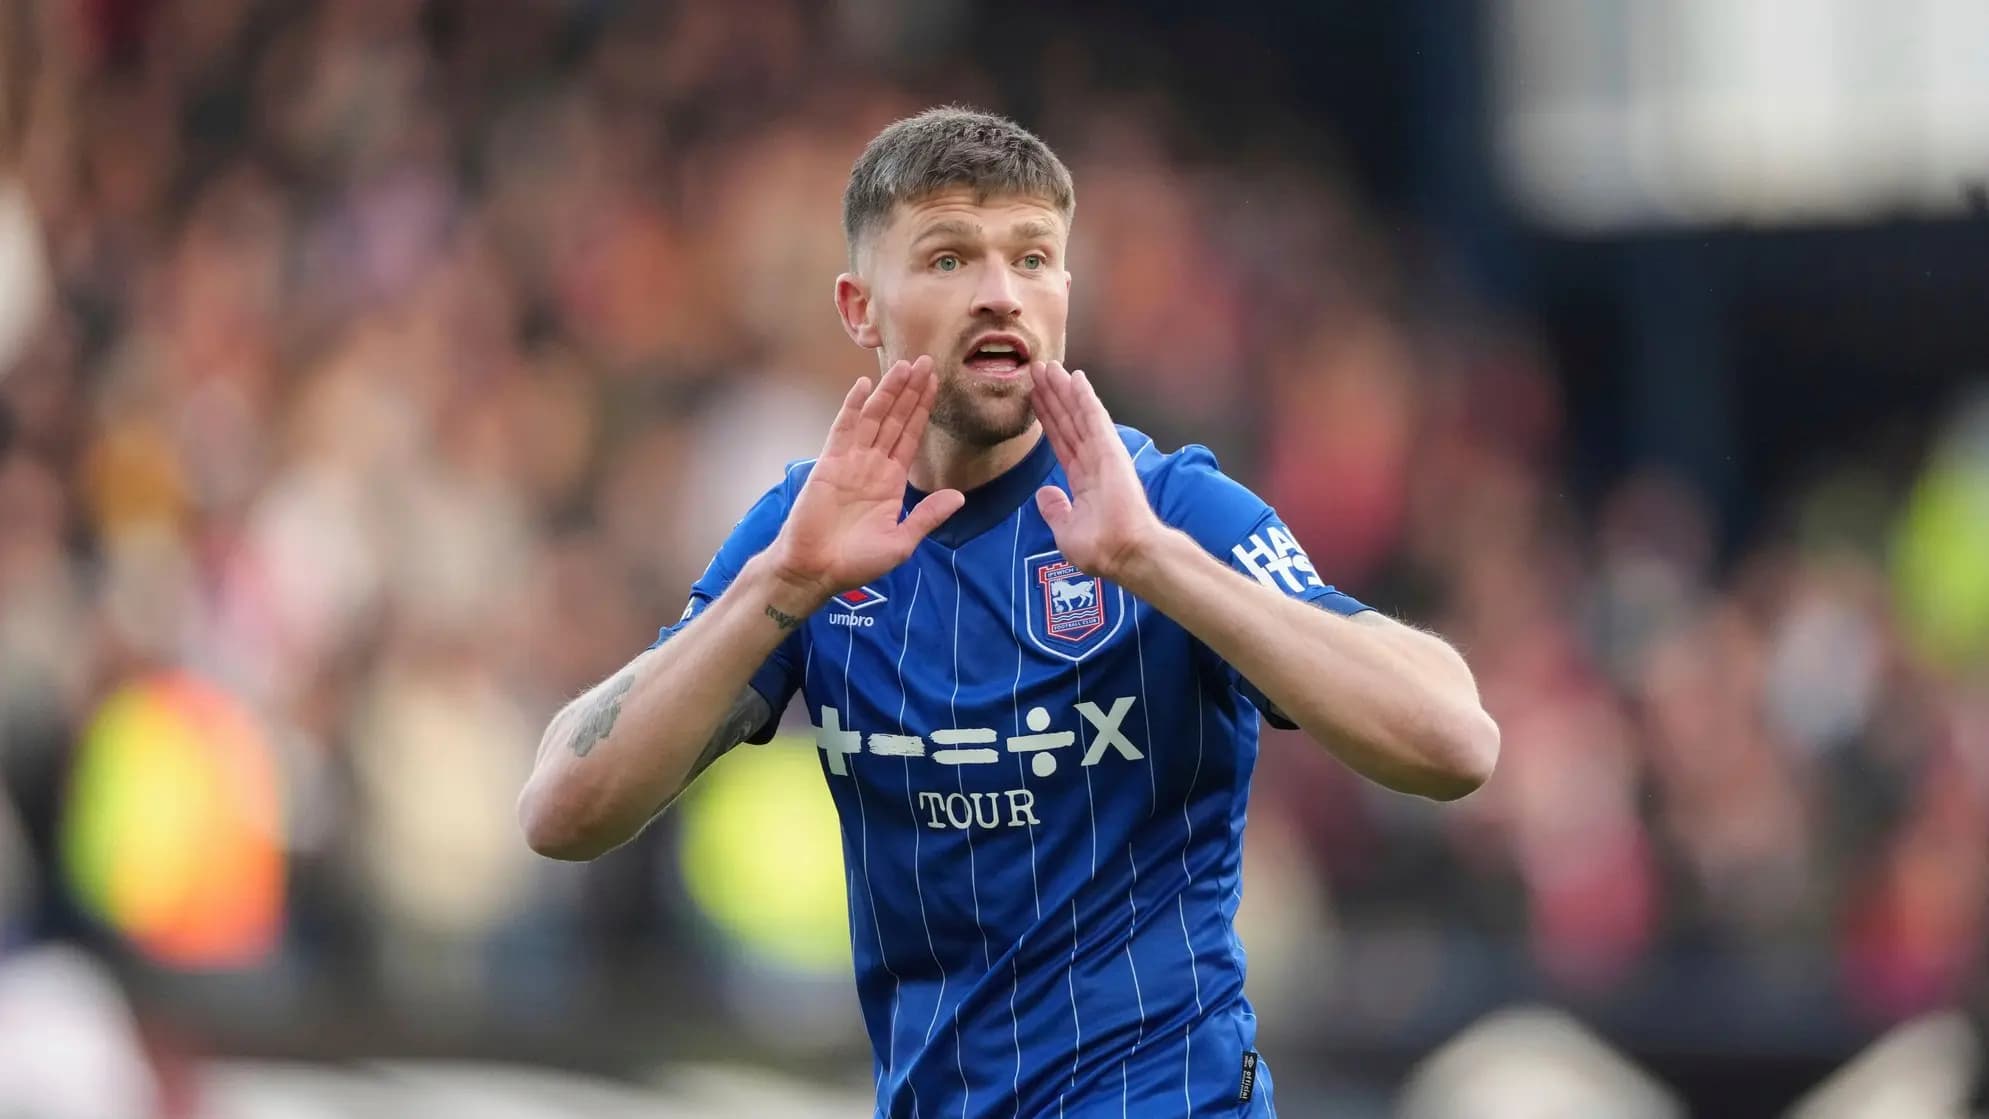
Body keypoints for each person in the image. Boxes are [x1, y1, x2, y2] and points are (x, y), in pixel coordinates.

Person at [519, 106, 1499, 1118]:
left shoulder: (1167, 510)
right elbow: (561, 811)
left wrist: (1155, 564)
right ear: (860, 308)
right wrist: (778, 588)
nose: (1000, 293)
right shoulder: (808, 536)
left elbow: (1455, 740)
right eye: (948, 259)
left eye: (1032, 258)